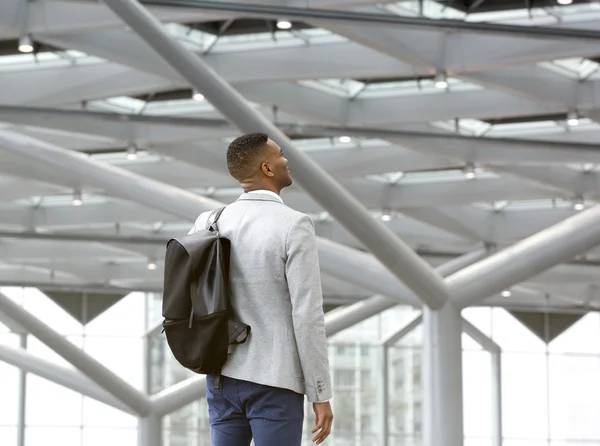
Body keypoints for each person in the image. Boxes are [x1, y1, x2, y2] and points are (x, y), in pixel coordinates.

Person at [188, 132, 333, 446]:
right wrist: (320, 392)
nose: (286, 161)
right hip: (275, 380)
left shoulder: (208, 222)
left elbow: (189, 293)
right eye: (280, 155)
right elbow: (307, 315)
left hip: (220, 376)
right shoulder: (294, 224)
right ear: (267, 169)